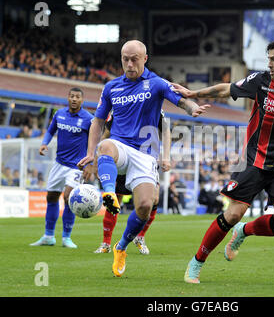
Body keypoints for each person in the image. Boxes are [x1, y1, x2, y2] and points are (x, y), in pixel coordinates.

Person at [172, 38, 274, 284]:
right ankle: (197, 262)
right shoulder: (260, 81)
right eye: (268, 59)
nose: (270, 64)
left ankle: (245, 230)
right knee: (233, 213)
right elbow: (227, 88)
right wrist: (193, 93)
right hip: (253, 159)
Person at [77, 40, 209, 277]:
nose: (129, 63)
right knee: (106, 145)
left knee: (146, 205)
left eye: (134, 59)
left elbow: (180, 99)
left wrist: (192, 108)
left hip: (146, 154)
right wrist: (90, 152)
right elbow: (98, 121)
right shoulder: (111, 88)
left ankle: (121, 246)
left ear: (145, 58)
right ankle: (108, 194)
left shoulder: (156, 84)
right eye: (125, 59)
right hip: (120, 146)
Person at [87, 110, 171, 254]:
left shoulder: (155, 105)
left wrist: (167, 156)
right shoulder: (121, 103)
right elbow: (106, 132)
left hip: (145, 157)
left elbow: (166, 131)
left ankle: (140, 236)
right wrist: (97, 159)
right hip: (122, 155)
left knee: (153, 200)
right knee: (114, 199)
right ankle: (106, 243)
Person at [30, 87, 94, 248]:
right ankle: (48, 236)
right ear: (68, 98)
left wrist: (90, 164)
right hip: (59, 163)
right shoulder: (59, 114)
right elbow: (50, 131)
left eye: (77, 97)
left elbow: (95, 141)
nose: (74, 99)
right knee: (51, 197)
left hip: (76, 167)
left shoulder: (88, 119)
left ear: (82, 100)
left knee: (68, 198)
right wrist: (44, 143)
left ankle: (66, 237)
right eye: (71, 96)